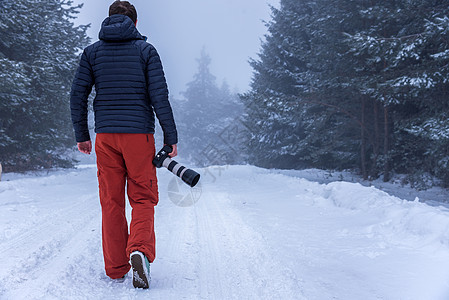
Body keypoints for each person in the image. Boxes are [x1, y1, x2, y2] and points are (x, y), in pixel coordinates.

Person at [69, 0, 178, 289]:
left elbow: (77, 95)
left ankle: (116, 268)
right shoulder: (145, 51)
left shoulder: (92, 53)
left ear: (109, 20)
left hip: (106, 137)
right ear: (135, 23)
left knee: (111, 201)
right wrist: (170, 138)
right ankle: (139, 250)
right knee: (143, 197)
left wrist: (83, 135)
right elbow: (160, 97)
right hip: (138, 137)